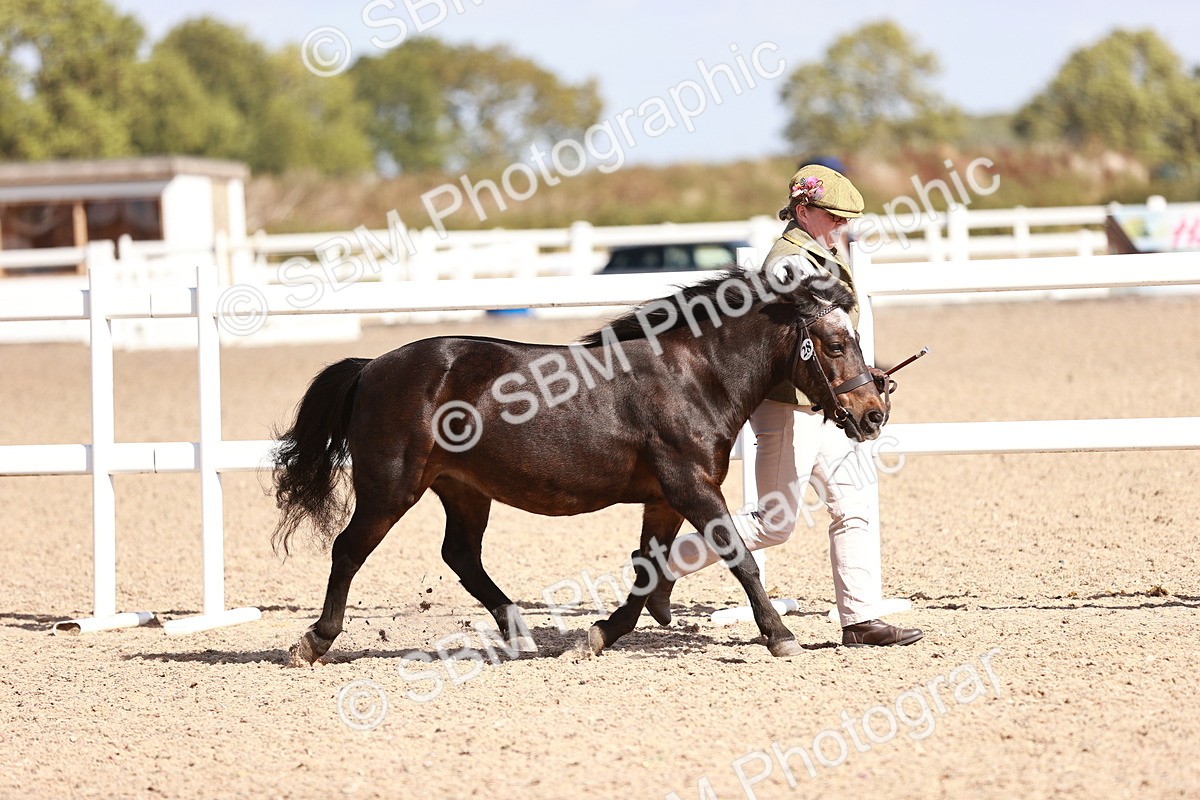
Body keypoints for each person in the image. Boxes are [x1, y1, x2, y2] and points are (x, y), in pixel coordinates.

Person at [645, 164, 923, 647]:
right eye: (833, 215)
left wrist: (860, 377)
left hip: (823, 403)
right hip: (788, 406)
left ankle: (859, 620)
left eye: (845, 217)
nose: (843, 224)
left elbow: (837, 337)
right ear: (803, 210)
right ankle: (661, 567)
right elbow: (799, 342)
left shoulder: (825, 254)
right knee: (774, 524)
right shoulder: (789, 263)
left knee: (852, 506)